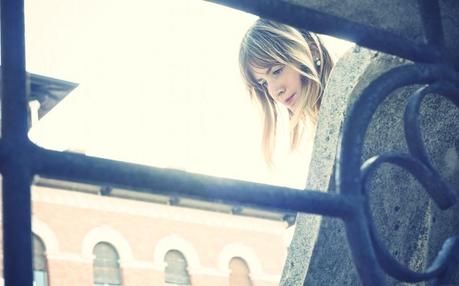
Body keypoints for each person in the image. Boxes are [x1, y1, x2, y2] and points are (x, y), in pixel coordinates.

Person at [239, 18, 334, 166]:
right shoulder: (322, 134)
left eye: (277, 71)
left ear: (312, 51)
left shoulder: (350, 101)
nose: (274, 91)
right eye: (264, 83)